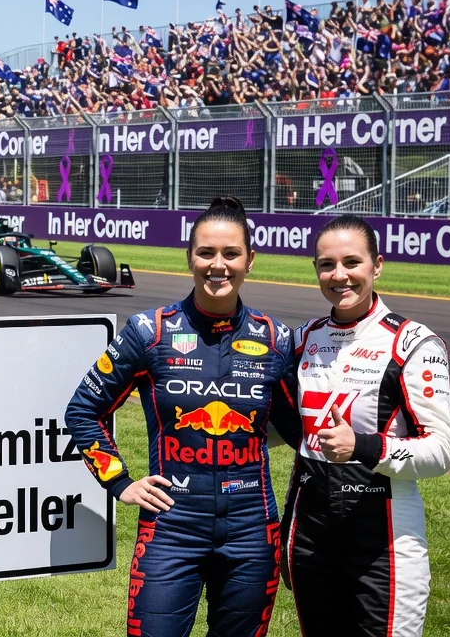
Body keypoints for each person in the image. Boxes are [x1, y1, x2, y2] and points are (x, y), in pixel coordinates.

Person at [65, 196, 297, 637]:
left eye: (231, 254)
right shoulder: (149, 331)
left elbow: (299, 432)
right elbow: (83, 409)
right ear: (189, 257)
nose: (218, 265)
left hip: (252, 529)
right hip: (172, 527)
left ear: (250, 260)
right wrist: (119, 481)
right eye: (206, 253)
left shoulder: (276, 338)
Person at [278, 214, 450, 637]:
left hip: (384, 535)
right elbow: (280, 424)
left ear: (377, 266)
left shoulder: (413, 342)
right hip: (311, 531)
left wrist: (363, 445)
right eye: (326, 264)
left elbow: (441, 451)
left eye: (352, 262)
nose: (339, 275)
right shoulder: (302, 339)